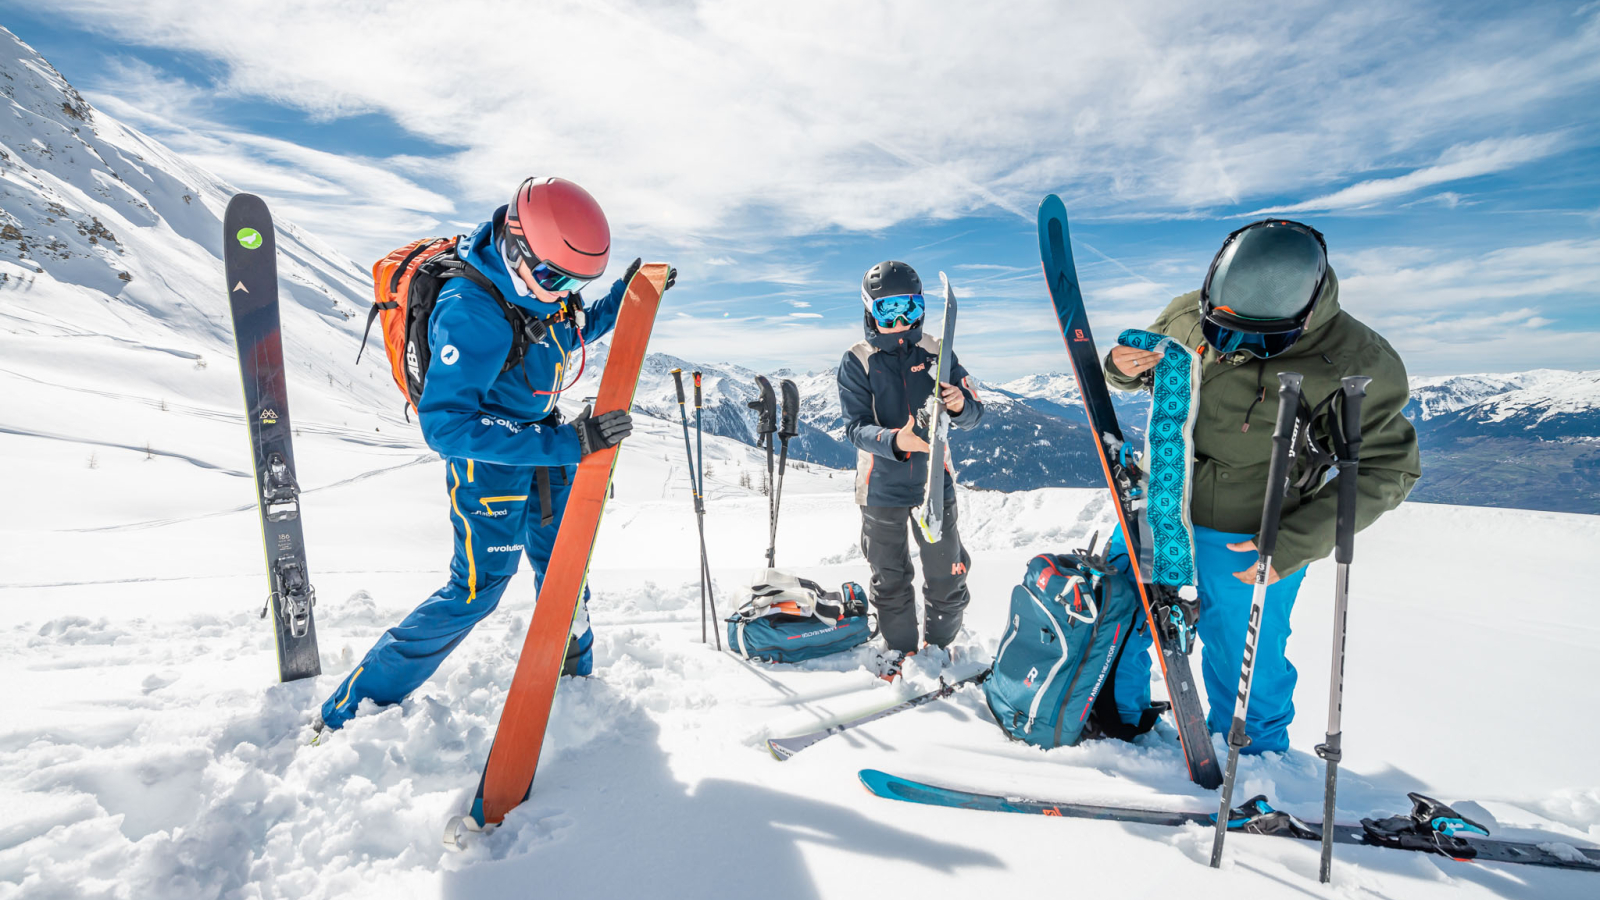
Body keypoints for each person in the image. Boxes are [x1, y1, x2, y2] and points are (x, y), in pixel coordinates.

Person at [317, 176, 672, 733]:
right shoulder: (471, 312)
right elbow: (446, 426)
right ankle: (353, 707)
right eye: (555, 277)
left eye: (576, 281)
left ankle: (574, 678)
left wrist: (619, 297)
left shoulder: (535, 282)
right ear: (516, 241)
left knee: (565, 565)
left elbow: (570, 328)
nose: (560, 292)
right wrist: (567, 443)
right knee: (477, 591)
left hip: (546, 444)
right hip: (490, 463)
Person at [1102, 219, 1419, 754]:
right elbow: (1149, 375)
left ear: (1306, 314)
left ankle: (1252, 755)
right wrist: (1122, 369)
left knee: (1241, 652)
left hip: (1249, 534)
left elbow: (1388, 468)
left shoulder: (1355, 361)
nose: (1233, 346)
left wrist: (1294, 544)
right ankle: (1110, 718)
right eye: (1221, 329)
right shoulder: (1185, 313)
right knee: (1119, 614)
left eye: (1259, 339)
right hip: (1158, 508)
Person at [837, 260, 984, 678]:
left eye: (910, 308)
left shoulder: (937, 350)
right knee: (890, 576)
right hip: (879, 485)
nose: (901, 320)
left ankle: (938, 650)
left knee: (947, 575)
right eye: (888, 310)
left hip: (934, 482)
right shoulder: (858, 360)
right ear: (870, 310)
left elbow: (975, 414)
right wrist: (895, 441)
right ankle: (900, 652)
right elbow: (854, 428)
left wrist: (961, 406)